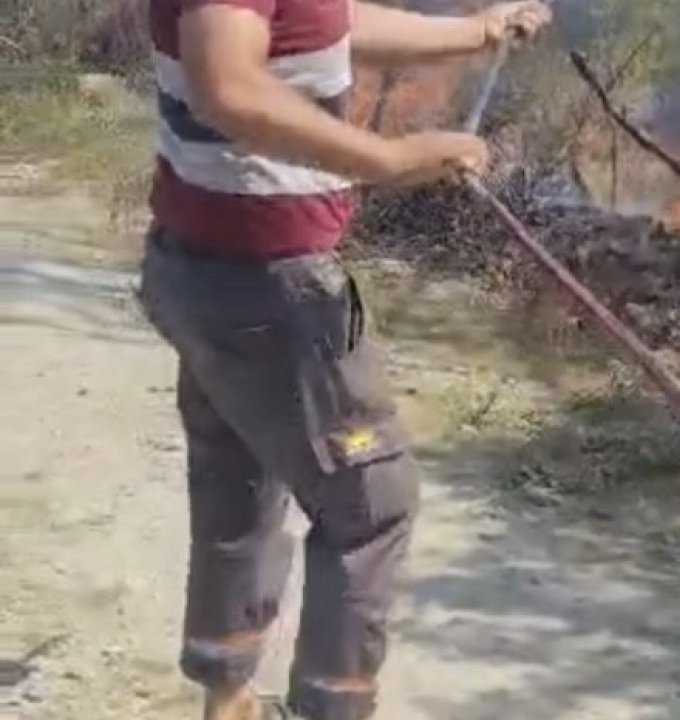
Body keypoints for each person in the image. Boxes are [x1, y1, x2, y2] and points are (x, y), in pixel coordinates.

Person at [137, 2, 552, 719]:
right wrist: (389, 161)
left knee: (240, 476)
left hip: (206, 269)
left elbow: (323, 19)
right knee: (371, 504)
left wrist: (473, 34)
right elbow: (227, 87)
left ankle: (228, 696)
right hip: (266, 288)